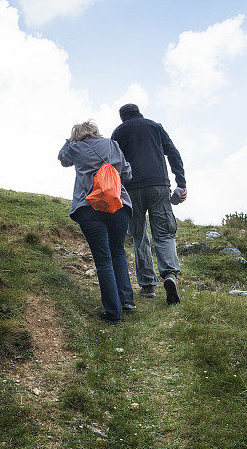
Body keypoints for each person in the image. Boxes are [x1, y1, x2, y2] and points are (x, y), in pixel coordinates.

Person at [59, 120, 136, 324]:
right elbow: (127, 173)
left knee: (103, 260)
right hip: (118, 204)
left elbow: (63, 159)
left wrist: (69, 141)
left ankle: (113, 313)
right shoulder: (112, 145)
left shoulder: (75, 147)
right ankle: (127, 300)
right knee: (118, 251)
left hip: (89, 207)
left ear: (77, 135)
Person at [111, 103, 187, 305]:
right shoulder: (155, 126)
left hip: (131, 188)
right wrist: (181, 182)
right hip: (159, 185)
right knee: (164, 232)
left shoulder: (118, 132)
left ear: (122, 117)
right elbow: (173, 153)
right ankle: (170, 274)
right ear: (139, 112)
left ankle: (147, 285)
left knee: (139, 235)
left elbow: (112, 163)